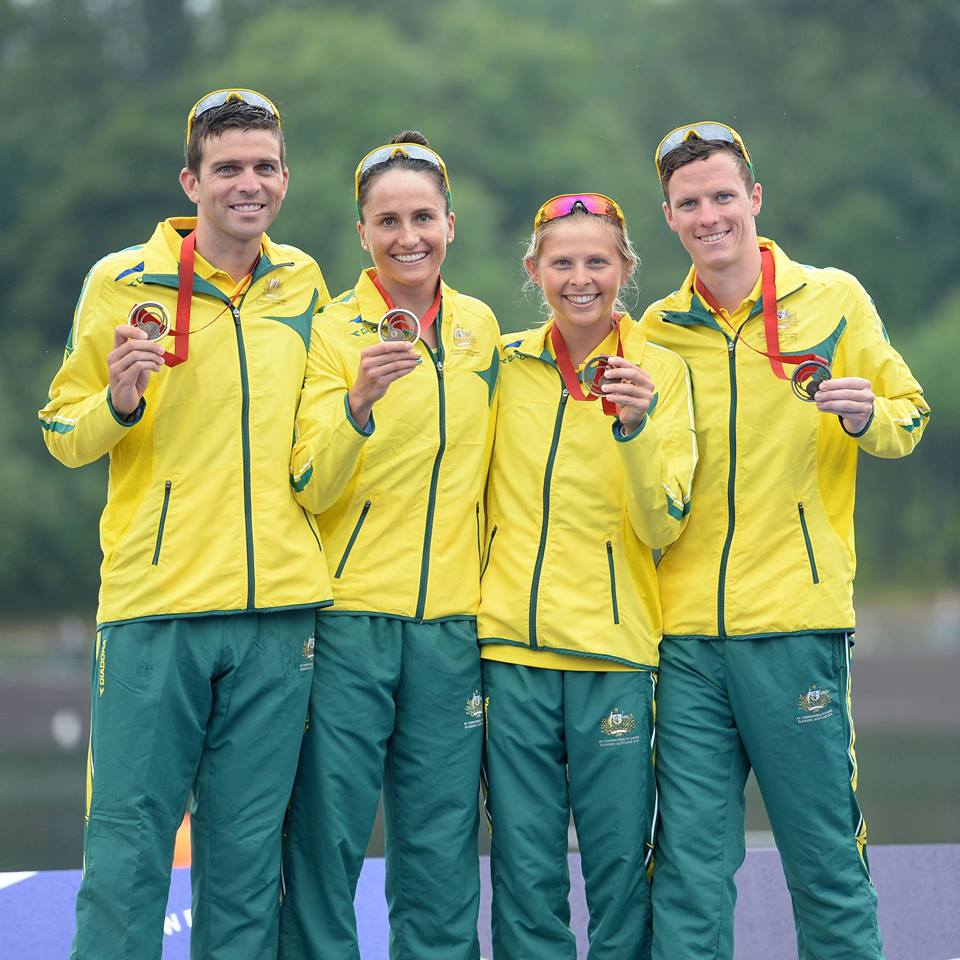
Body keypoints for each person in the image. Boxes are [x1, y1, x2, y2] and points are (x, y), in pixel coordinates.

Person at [37, 88, 332, 960]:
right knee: (128, 851)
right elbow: (62, 429)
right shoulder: (119, 282)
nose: (249, 183)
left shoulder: (304, 280)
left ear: (284, 178)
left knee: (246, 866)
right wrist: (120, 398)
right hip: (154, 609)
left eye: (264, 167)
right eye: (228, 168)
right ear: (190, 180)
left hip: (279, 613)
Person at [642, 121, 930, 960]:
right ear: (669, 216)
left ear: (755, 199)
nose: (709, 216)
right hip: (685, 636)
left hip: (798, 626)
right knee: (690, 870)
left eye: (723, 196)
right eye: (690, 203)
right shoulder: (657, 329)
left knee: (824, 860)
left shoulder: (833, 297)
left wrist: (866, 412)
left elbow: (909, 413)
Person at [278, 132, 501, 960]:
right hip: (348, 623)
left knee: (442, 849)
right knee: (326, 841)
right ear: (362, 231)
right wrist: (358, 406)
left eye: (423, 217)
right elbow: (309, 481)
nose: (408, 236)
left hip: (452, 629)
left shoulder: (480, 328)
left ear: (452, 222)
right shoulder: (330, 330)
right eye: (388, 221)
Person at [478, 194, 697, 958]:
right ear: (534, 270)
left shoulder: (663, 370)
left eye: (597, 261)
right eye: (562, 262)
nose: (580, 278)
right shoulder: (500, 365)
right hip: (510, 656)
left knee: (618, 881)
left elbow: (664, 523)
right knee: (525, 880)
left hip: (615, 658)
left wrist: (635, 429)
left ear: (626, 270)